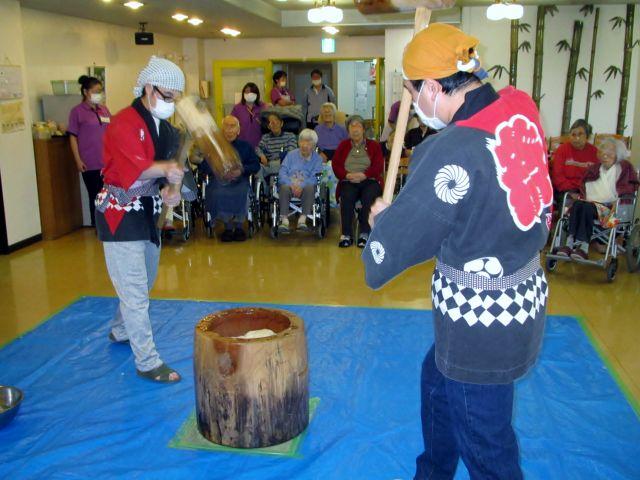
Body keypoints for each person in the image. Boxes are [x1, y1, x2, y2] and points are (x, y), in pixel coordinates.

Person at [362, 24, 553, 480]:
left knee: (487, 445)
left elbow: (391, 252)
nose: (415, 105)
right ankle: (433, 472)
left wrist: (382, 224)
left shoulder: (450, 151)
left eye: (413, 93)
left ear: (432, 87)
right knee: (436, 384)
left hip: (481, 320)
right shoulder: (519, 106)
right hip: (520, 296)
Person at [96, 56, 185, 383]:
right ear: (149, 87)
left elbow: (170, 169)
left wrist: (171, 189)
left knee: (143, 282)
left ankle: (121, 328)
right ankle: (147, 360)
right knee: (134, 290)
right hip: (120, 212)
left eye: (175, 97)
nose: (171, 102)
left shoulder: (166, 129)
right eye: (167, 94)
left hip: (148, 211)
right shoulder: (123, 122)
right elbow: (140, 167)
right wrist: (166, 172)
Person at [555, 137, 638, 260]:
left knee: (586, 206)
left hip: (611, 215)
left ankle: (583, 247)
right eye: (602, 152)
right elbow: (583, 187)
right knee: (578, 204)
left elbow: (629, 187)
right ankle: (569, 244)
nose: (605, 155)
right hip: (590, 207)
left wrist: (618, 201)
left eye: (609, 152)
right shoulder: (594, 169)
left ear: (618, 154)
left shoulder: (624, 168)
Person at [201, 115, 260, 242]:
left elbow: (255, 165)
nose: (229, 130)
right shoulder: (214, 147)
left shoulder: (245, 146)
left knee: (242, 192)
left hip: (240, 180)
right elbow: (204, 166)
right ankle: (227, 227)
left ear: (238, 130)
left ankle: (239, 227)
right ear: (222, 130)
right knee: (218, 192)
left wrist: (241, 170)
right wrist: (219, 170)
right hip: (219, 181)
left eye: (232, 126)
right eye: (226, 126)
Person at [332, 115, 383, 248]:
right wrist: (347, 175)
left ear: (363, 130)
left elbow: (378, 166)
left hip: (369, 179)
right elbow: (336, 165)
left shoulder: (374, 145)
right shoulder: (343, 145)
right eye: (352, 126)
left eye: (358, 126)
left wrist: (364, 175)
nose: (355, 129)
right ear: (348, 130)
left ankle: (364, 233)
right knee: (347, 195)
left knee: (369, 195)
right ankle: (346, 234)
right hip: (349, 180)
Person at [68, 75, 111, 226]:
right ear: (86, 92)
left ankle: (109, 224)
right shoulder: (77, 112)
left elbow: (111, 132)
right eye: (96, 91)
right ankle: (97, 225)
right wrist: (78, 160)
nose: (100, 93)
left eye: (101, 90)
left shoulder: (104, 110)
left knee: (108, 194)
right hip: (90, 162)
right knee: (95, 195)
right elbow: (72, 137)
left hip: (107, 161)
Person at [277, 129, 323, 233]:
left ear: (314, 145)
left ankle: (302, 219)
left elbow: (315, 177)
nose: (304, 145)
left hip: (306, 186)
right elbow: (282, 172)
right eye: (302, 141)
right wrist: (291, 184)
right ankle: (284, 220)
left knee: (310, 187)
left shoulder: (318, 159)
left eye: (308, 142)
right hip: (289, 184)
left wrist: (301, 185)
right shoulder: (290, 155)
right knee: (283, 187)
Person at [550, 119, 599, 204]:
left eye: (580, 134)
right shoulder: (562, 150)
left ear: (587, 136)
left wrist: (583, 191)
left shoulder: (595, 152)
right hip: (565, 190)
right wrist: (571, 192)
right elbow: (557, 177)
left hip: (587, 190)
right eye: (573, 135)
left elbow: (597, 177)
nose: (576, 138)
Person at [256, 112, 298, 179]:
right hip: (268, 165)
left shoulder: (290, 136)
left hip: (283, 164)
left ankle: (273, 183)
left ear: (281, 124)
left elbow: (291, 153)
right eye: (272, 123)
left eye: (276, 122)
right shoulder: (265, 137)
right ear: (268, 126)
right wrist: (261, 155)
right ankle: (262, 188)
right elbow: (258, 149)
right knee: (256, 168)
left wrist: (275, 158)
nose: (274, 124)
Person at [231, 82, 267, 149]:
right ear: (243, 94)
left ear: (256, 94)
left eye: (252, 92)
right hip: (242, 145)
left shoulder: (263, 107)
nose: (249, 94)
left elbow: (268, 125)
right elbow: (231, 124)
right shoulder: (237, 108)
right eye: (247, 92)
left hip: (260, 145)